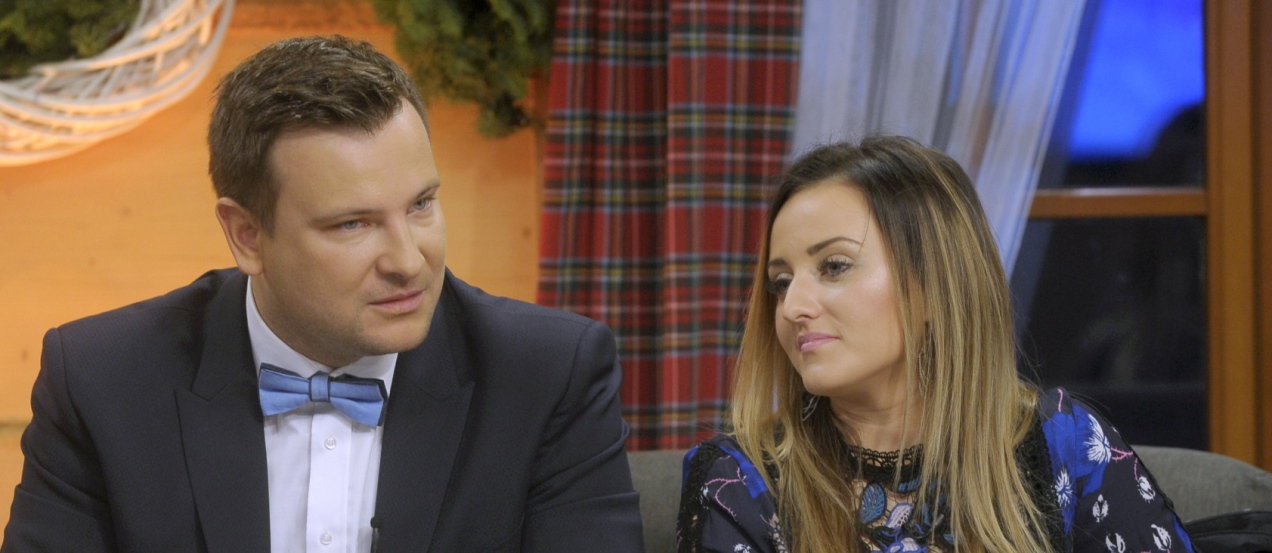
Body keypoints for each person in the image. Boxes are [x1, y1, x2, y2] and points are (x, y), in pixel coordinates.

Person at [3, 35, 643, 552]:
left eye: (421, 205)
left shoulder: (547, 375)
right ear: (247, 235)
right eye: (353, 224)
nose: (408, 261)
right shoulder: (103, 381)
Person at [676, 137, 1194, 552]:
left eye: (833, 266)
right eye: (781, 282)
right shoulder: (738, 479)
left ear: (933, 285)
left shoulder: (1063, 442)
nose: (792, 307)